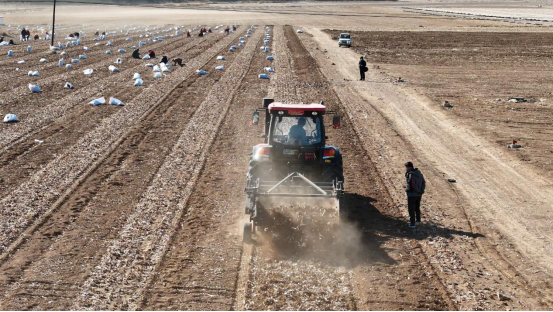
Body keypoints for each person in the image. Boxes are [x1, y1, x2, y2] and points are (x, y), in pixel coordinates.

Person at [405, 162, 426, 228]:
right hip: (419, 194)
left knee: (411, 209)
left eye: (406, 167)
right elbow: (423, 182)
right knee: (417, 207)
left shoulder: (411, 174)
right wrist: (421, 191)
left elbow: (412, 184)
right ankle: (418, 220)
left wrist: (416, 191)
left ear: (410, 167)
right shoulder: (419, 173)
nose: (406, 169)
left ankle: (412, 223)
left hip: (412, 194)